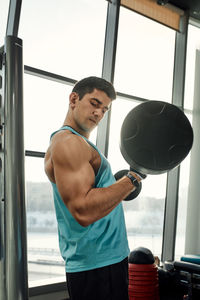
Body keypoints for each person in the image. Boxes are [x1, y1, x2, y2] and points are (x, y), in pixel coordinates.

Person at [44, 76, 143, 300]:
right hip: (97, 266)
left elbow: (94, 194)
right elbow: (84, 210)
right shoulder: (69, 143)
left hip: (106, 261)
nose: (99, 113)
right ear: (73, 99)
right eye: (94, 103)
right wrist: (134, 178)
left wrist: (120, 184)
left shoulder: (80, 144)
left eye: (105, 109)